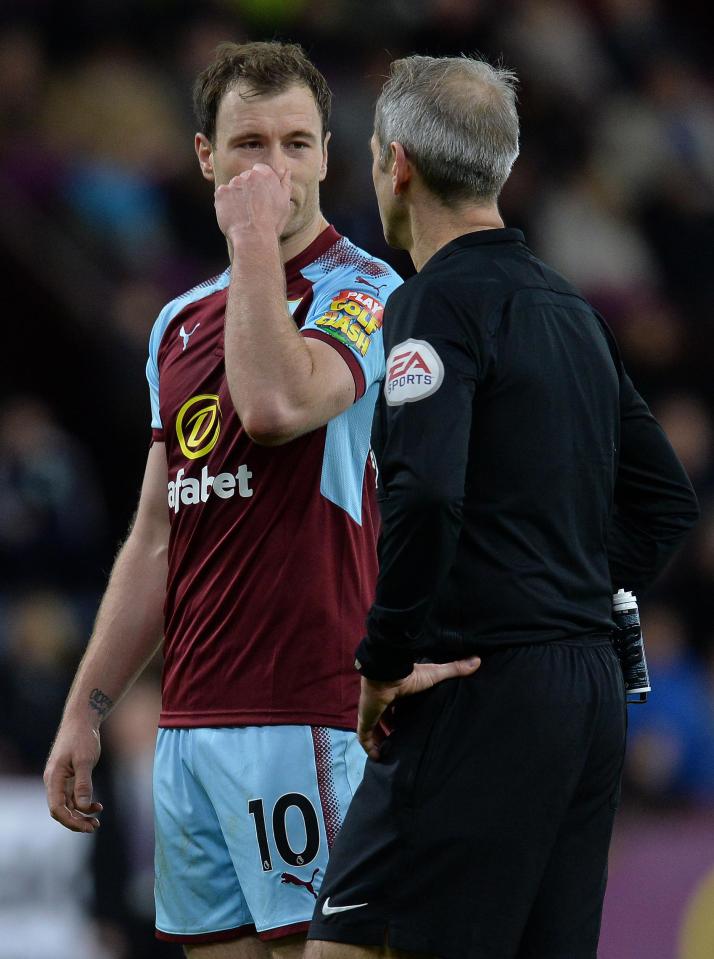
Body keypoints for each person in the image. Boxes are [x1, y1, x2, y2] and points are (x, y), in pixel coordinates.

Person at [307, 55, 700, 959]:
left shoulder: (431, 304)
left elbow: (429, 491)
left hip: (478, 693)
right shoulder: (570, 308)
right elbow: (666, 501)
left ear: (395, 164)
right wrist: (562, 593)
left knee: (346, 947)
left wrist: (384, 656)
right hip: (591, 695)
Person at [43, 40, 407, 957]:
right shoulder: (178, 324)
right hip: (192, 724)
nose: (273, 168)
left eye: (295, 143)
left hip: (308, 709)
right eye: (248, 144)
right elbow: (158, 537)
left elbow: (277, 406)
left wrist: (249, 238)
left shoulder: (366, 289)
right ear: (206, 157)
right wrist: (86, 710)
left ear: (327, 153)